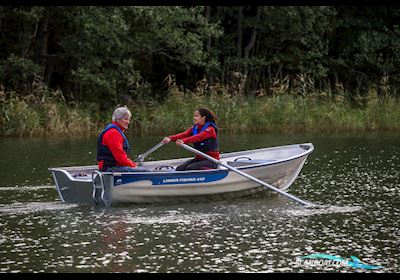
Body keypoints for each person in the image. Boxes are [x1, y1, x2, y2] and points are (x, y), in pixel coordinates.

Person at [97, 106, 149, 172]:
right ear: (117, 119)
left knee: (141, 169)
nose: (128, 122)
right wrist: (134, 166)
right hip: (109, 169)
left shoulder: (116, 131)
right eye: (126, 119)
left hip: (115, 167)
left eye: (129, 119)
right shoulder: (113, 133)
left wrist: (132, 164)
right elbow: (120, 157)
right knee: (145, 171)